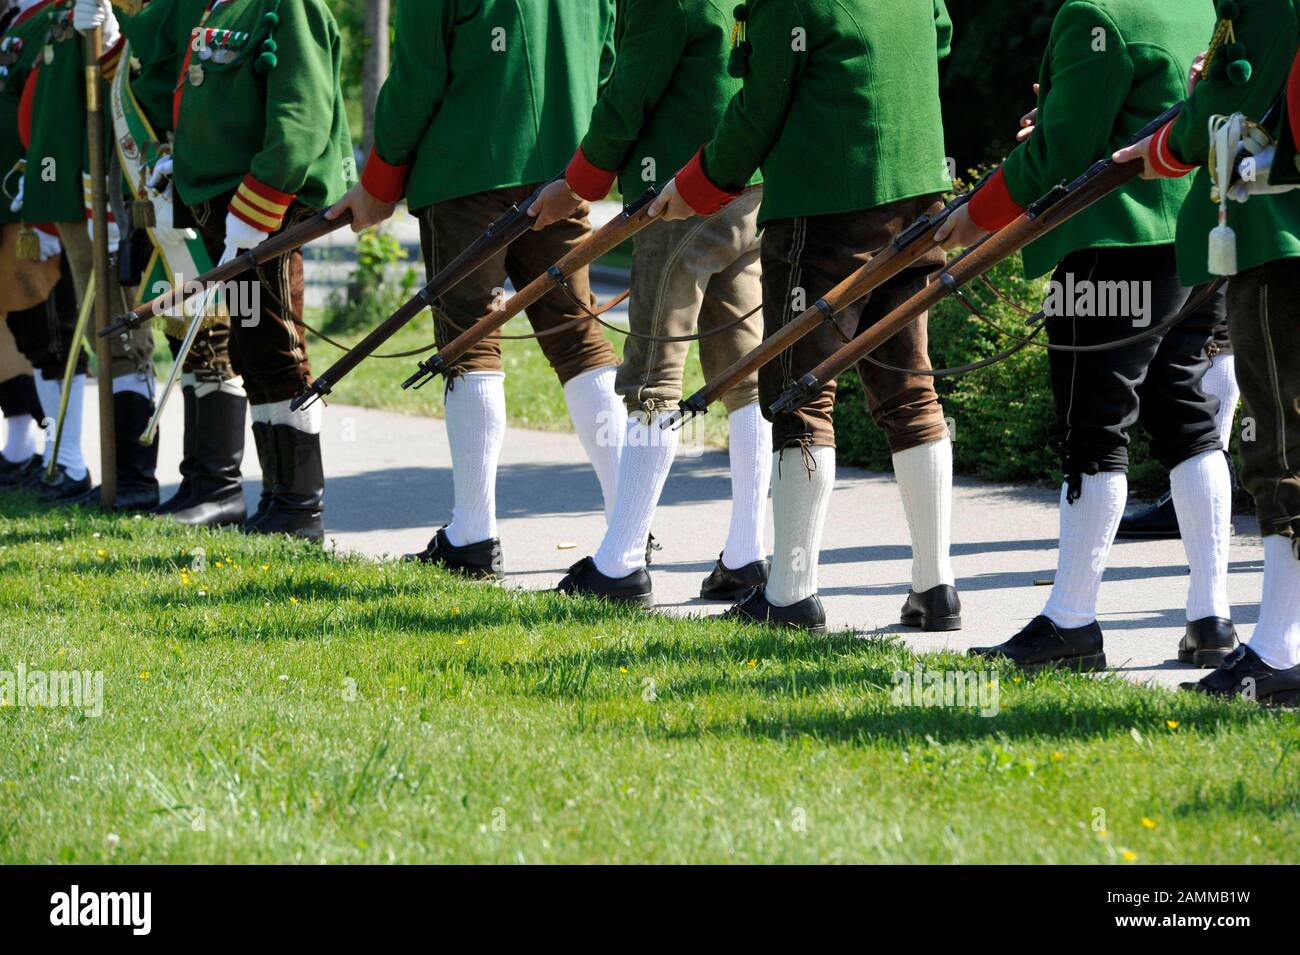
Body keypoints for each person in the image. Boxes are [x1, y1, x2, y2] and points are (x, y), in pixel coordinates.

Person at [937, 0, 1236, 672]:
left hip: (1112, 242)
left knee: (1093, 428)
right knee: (1188, 419)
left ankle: (1071, 621)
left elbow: (1063, 151)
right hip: (1191, 240)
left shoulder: (1095, 12)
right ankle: (1211, 618)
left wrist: (977, 214)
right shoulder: (1199, 4)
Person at [647, 0, 962, 634]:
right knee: (909, 390)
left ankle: (790, 592)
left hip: (827, 206)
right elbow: (940, 39)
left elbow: (759, 107)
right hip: (918, 192)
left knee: (799, 396)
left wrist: (700, 182)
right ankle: (936, 587)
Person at [327, 0, 627, 579]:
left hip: (463, 170)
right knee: (579, 339)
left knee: (469, 346)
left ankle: (473, 534)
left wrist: (377, 183)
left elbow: (417, 78)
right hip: (562, 171)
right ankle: (629, 524)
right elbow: (607, 58)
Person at [76, 0, 358, 542]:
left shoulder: (284, 6)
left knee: (279, 349)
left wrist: (259, 204)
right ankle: (278, 500)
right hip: (219, 207)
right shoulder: (219, 5)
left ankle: (300, 506)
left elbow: (301, 113)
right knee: (253, 351)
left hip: (264, 209)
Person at [527, 0, 772, 607]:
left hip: (680, 191)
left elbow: (629, 93)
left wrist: (577, 183)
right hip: (749, 182)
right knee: (745, 375)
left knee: (652, 375)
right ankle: (747, 553)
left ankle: (622, 560)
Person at [1113, 0, 1300, 704]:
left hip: (1276, 233)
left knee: (1281, 447)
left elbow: (1233, 101)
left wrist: (1168, 141)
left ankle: (1280, 652)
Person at [16, 0, 159, 508]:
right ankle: (117, 476)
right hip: (78, 194)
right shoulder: (62, 14)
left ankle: (136, 481)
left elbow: (144, 81)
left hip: (116, 192)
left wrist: (117, 39)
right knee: (106, 341)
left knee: (128, 338)